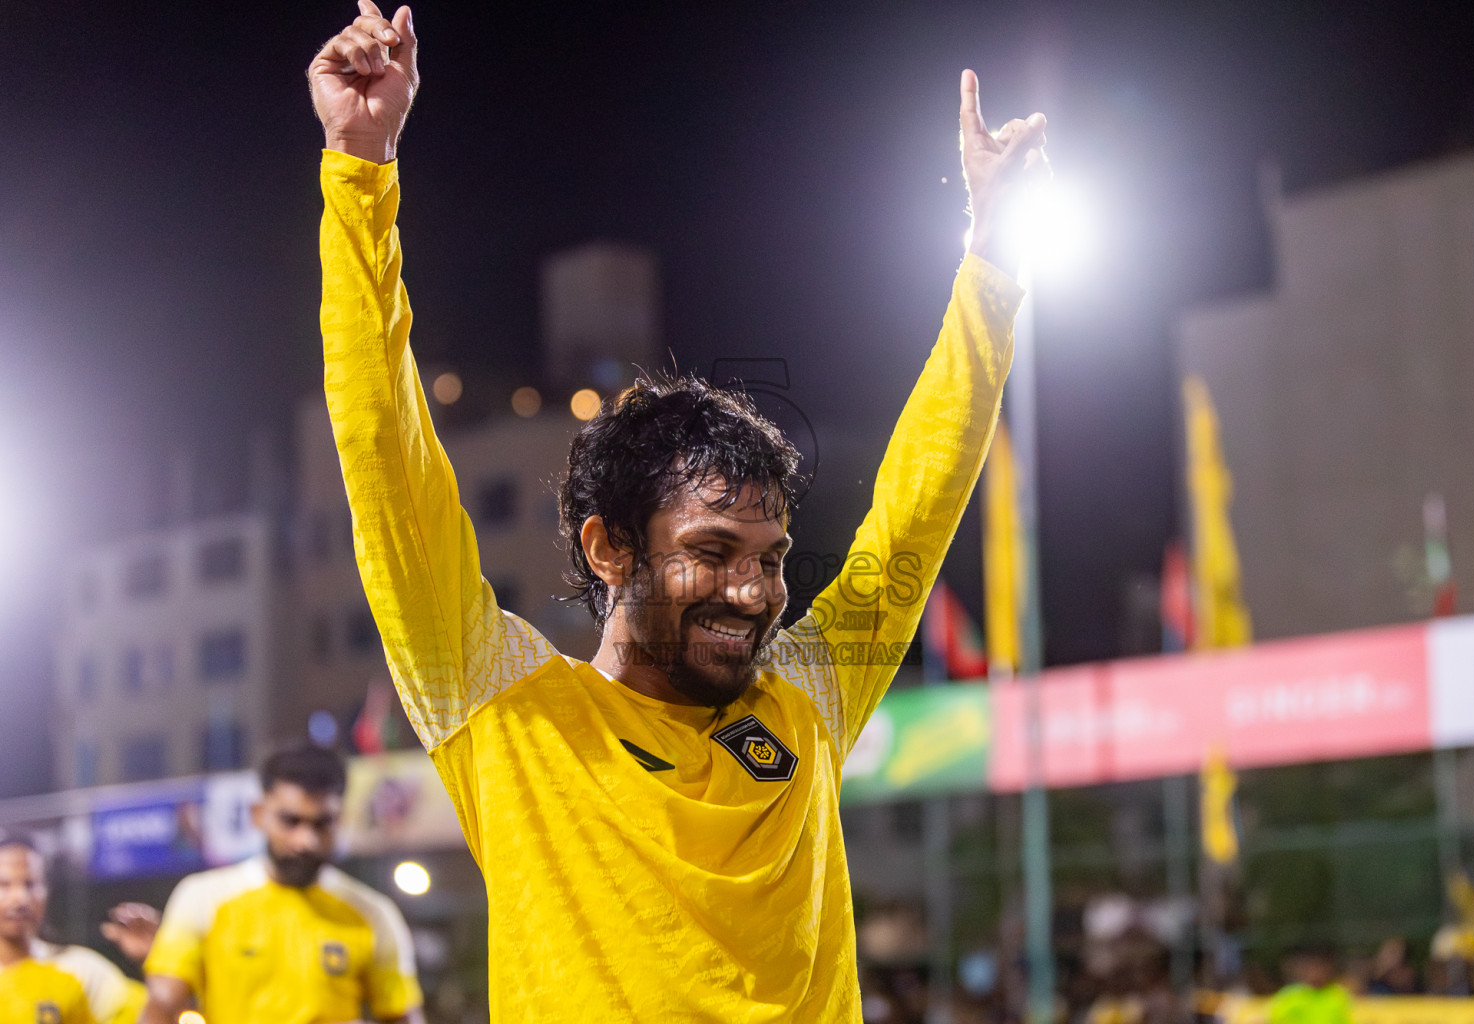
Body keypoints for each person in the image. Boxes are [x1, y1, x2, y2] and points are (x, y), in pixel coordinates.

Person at [309, 1, 1045, 1016]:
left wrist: (993, 258)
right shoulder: (508, 710)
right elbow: (387, 466)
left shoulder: (809, 703)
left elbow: (911, 525)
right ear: (610, 547)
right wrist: (360, 176)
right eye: (711, 549)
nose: (753, 590)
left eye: (772, 554)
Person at [139, 746, 424, 1023]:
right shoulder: (203, 897)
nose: (305, 841)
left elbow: (403, 1015)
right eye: (291, 821)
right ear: (258, 814)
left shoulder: (373, 914)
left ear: (341, 820)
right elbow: (162, 1007)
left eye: (322, 823)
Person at [0, 838, 146, 1024]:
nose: (19, 898)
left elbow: (149, 1017)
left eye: (30, 884)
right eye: (4, 885)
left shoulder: (81, 971)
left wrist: (152, 960)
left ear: (46, 891)